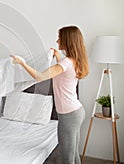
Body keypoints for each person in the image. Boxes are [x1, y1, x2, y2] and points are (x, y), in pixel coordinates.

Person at [12, 25, 89, 164]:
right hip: (76, 111)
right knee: (73, 154)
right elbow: (64, 71)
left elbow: (40, 77)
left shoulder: (65, 63)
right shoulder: (74, 61)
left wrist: (22, 63)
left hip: (68, 116)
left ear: (67, 40)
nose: (57, 40)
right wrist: (58, 56)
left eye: (60, 38)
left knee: (67, 158)